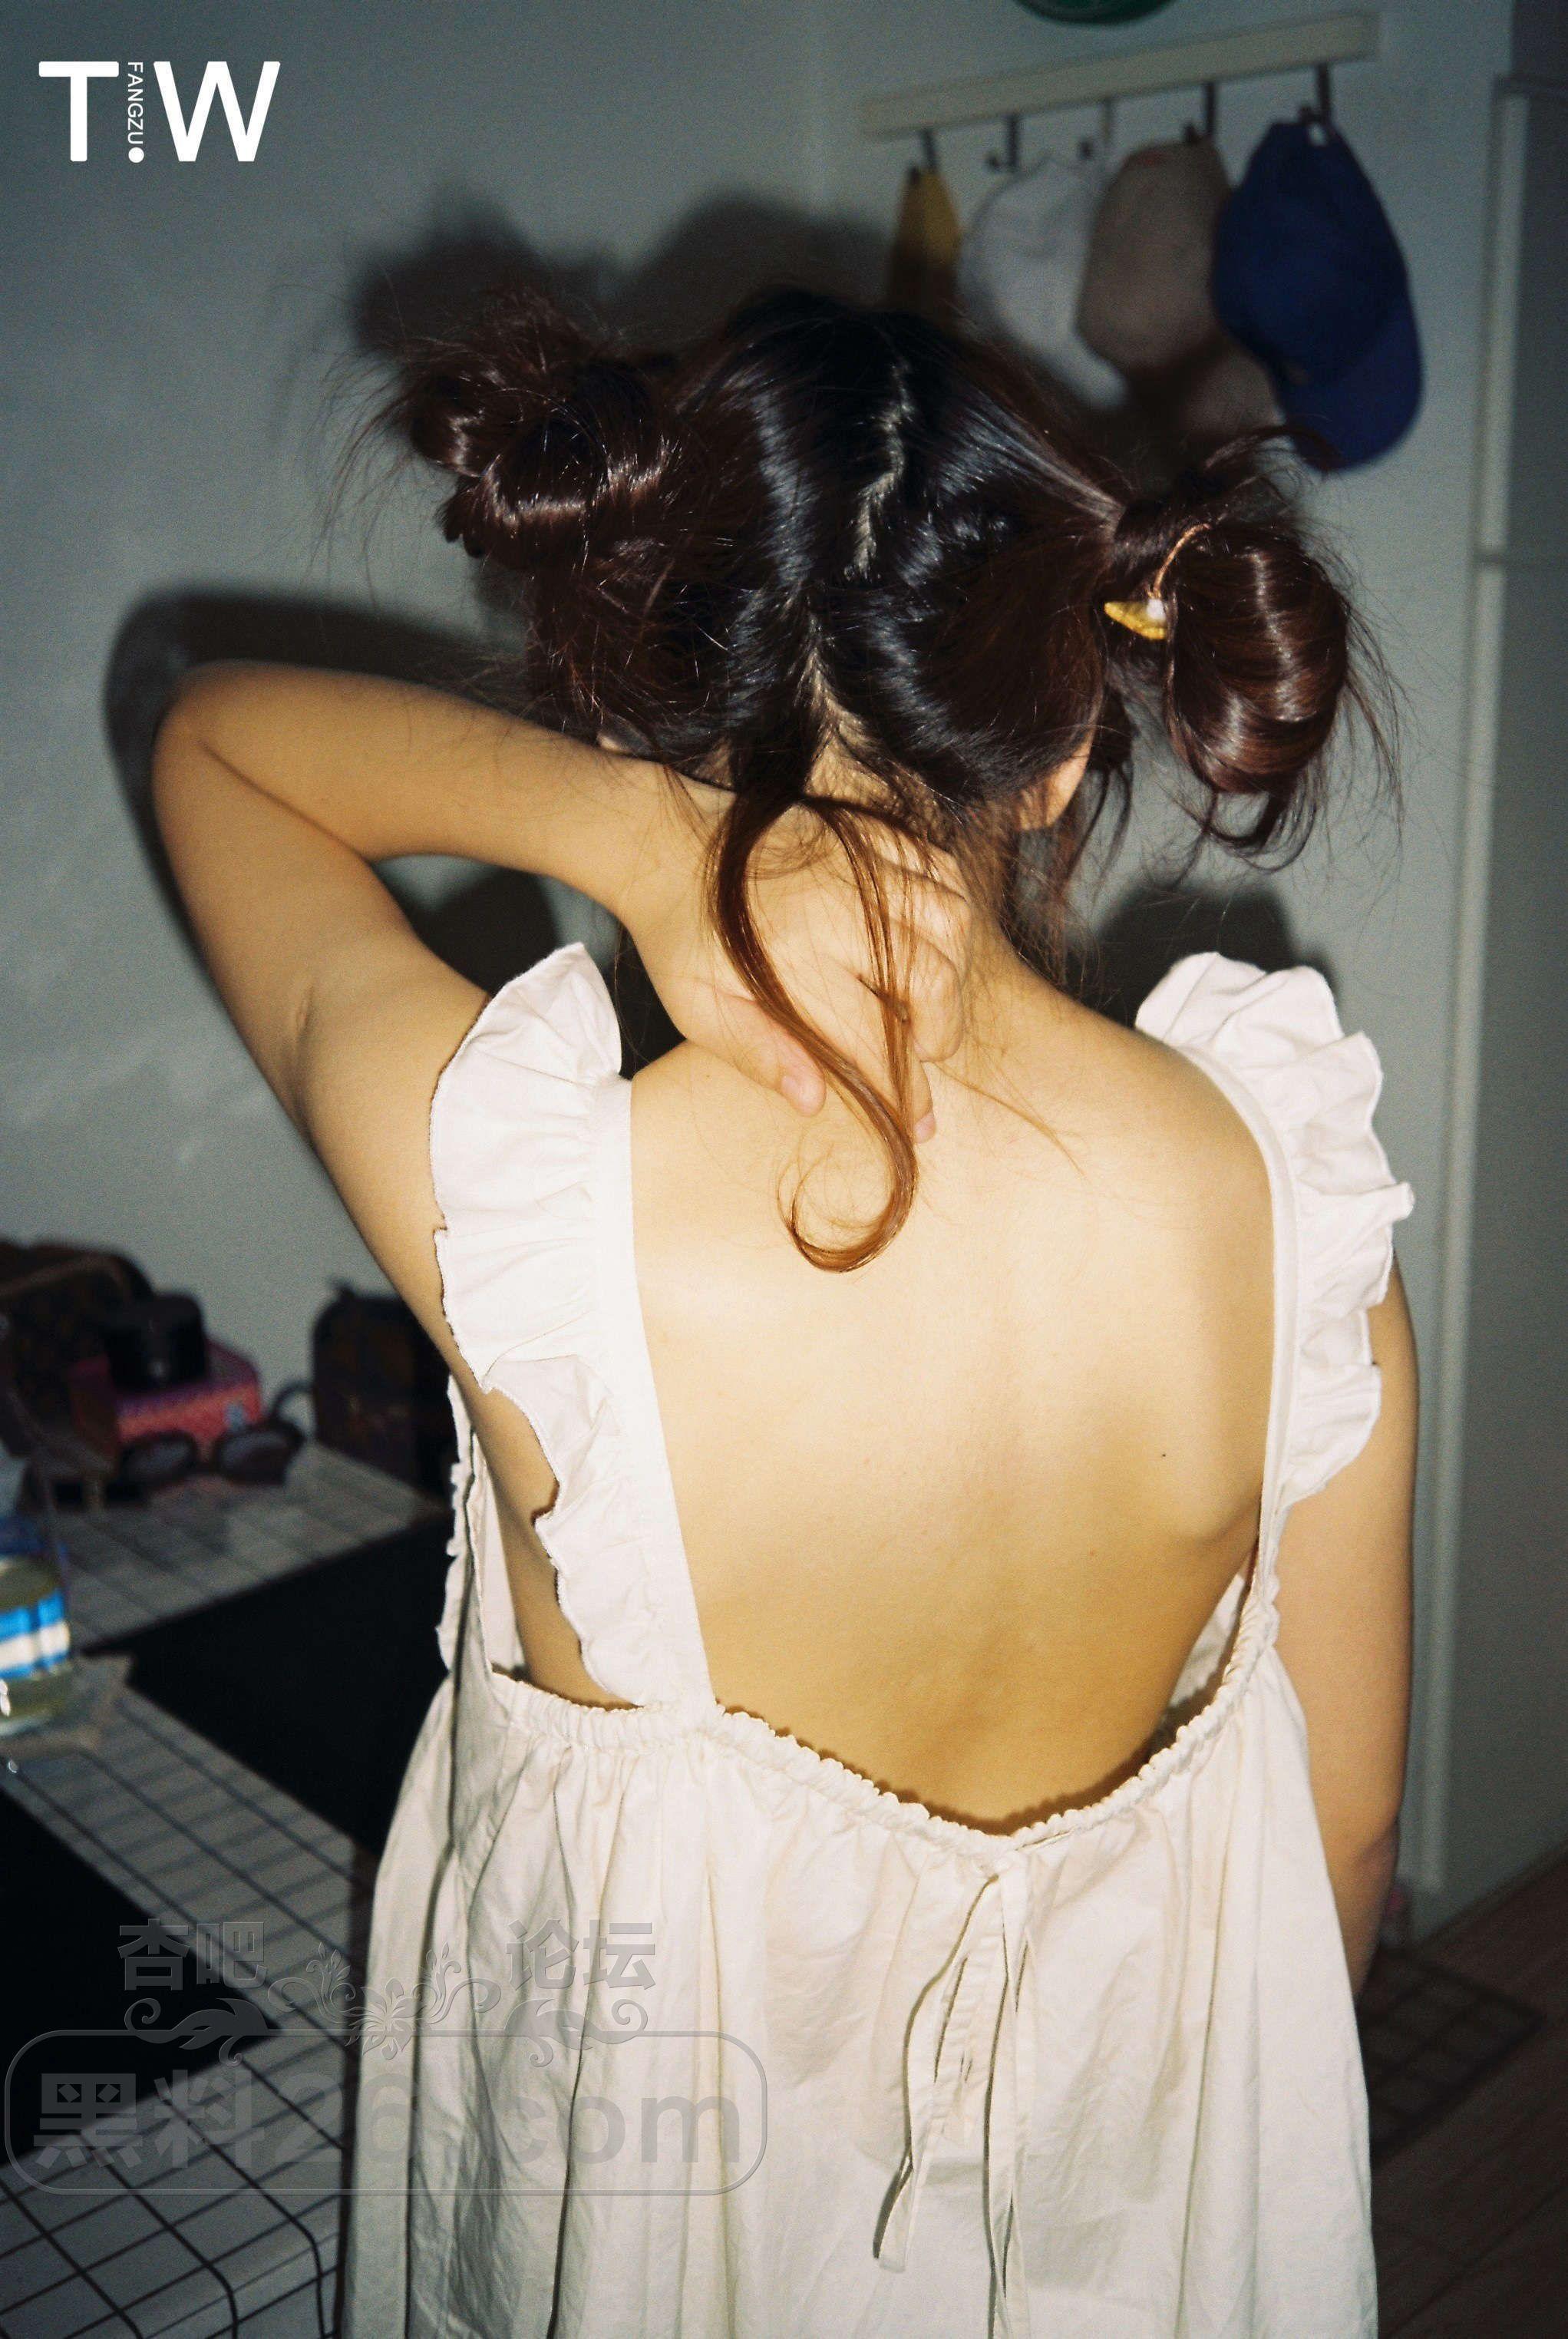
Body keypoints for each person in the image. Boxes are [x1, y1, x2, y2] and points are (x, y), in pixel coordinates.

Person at [149, 283, 1418, 2337]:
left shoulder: (536, 1212)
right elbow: (1341, 1832)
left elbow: (214, 745)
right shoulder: (1289, 1196)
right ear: (1068, 744)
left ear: (643, 712)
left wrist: (637, 840)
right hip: (1130, 2238)